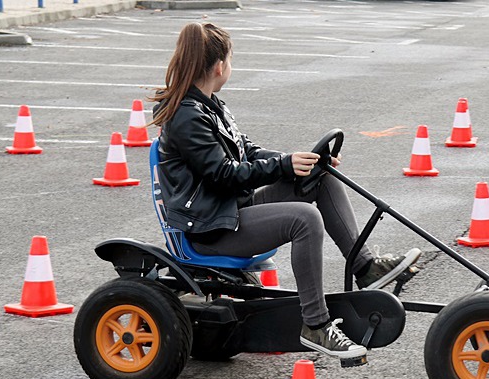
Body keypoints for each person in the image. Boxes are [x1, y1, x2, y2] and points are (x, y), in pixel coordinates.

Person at [149, 22, 421, 360]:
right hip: (211, 229)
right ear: (220, 66)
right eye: (231, 60)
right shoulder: (187, 118)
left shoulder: (210, 105)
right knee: (304, 219)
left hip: (229, 211)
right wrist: (283, 166)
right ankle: (316, 325)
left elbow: (247, 152)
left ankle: (366, 268)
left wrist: (299, 161)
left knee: (320, 176)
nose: (231, 66)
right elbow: (223, 175)